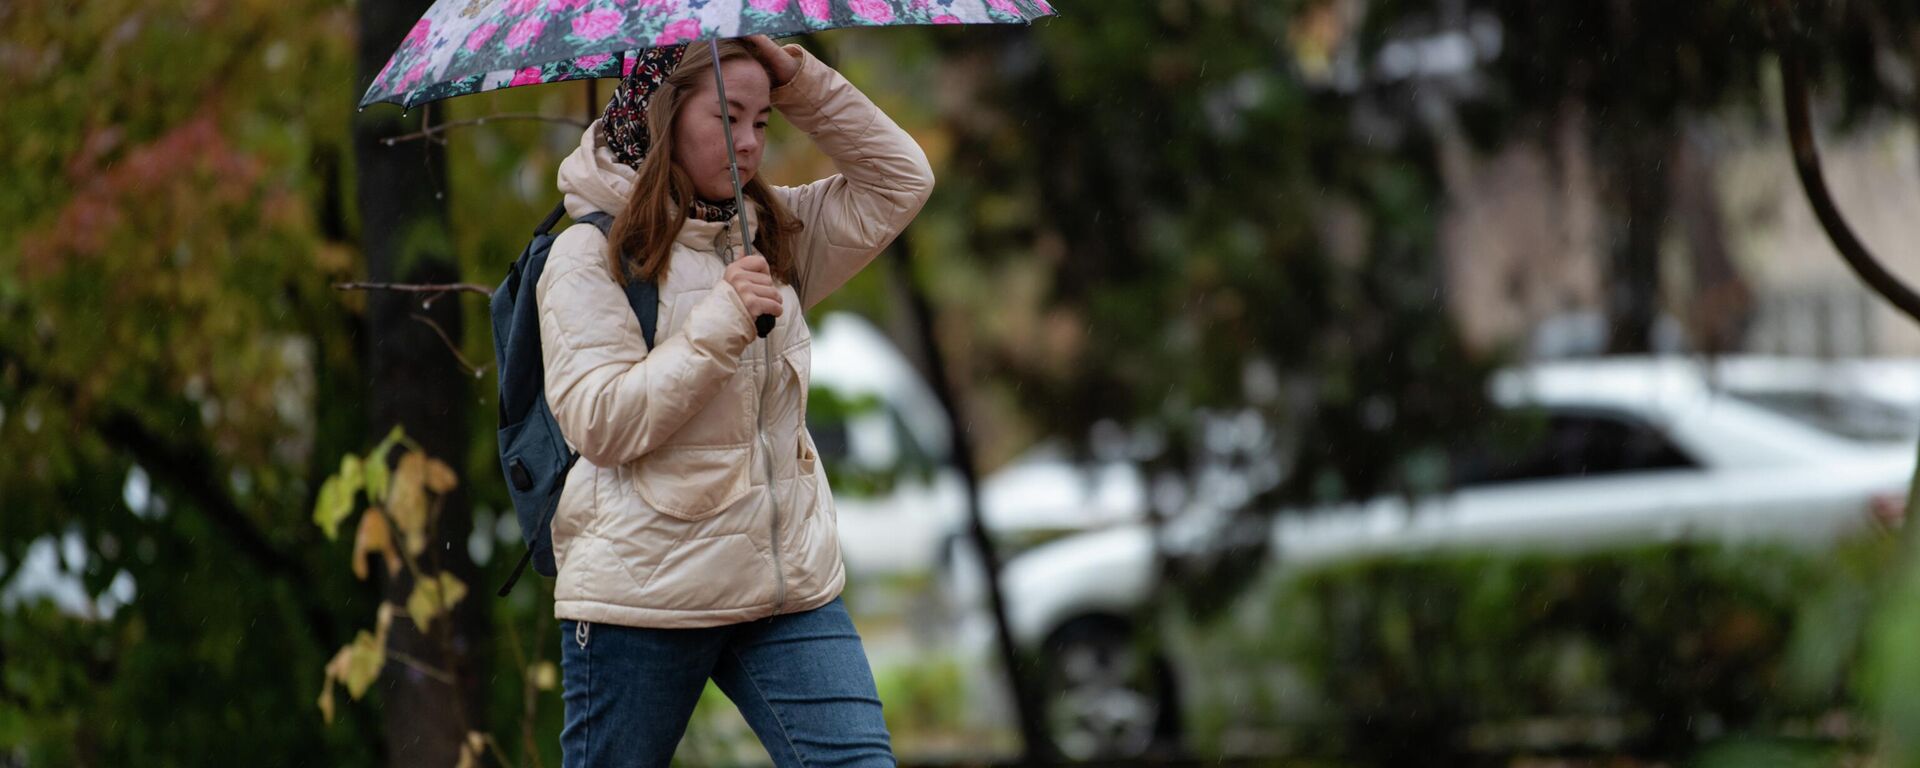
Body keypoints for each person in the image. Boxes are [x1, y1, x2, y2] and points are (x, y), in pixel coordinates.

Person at [538, 35, 934, 767]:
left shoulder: (772, 232)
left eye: (761, 121)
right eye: (727, 117)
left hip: (788, 589)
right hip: (646, 592)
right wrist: (720, 322)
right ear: (664, 117)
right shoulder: (589, 253)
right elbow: (600, 423)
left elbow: (900, 181)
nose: (749, 141)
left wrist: (798, 79)